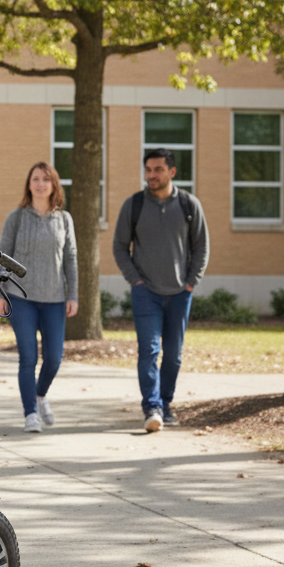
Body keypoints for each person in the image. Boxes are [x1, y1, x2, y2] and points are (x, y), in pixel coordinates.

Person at [113, 149, 209, 432]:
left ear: (172, 172)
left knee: (174, 354)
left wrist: (192, 281)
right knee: (149, 349)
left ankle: (165, 404)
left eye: (157, 170)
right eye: (148, 170)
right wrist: (135, 280)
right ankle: (152, 407)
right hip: (146, 292)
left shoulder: (190, 205)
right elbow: (120, 245)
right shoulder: (135, 205)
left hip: (181, 292)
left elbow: (201, 246)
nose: (151, 175)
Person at [0, 162, 78, 433]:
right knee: (28, 357)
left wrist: (73, 294)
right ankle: (30, 412)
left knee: (54, 357)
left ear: (54, 185)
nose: (40, 184)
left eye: (46, 179)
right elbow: (1, 258)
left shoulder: (64, 220)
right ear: (29, 184)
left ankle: (40, 396)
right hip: (22, 298)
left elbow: (70, 259)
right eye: (35, 179)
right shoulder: (16, 217)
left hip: (54, 298)